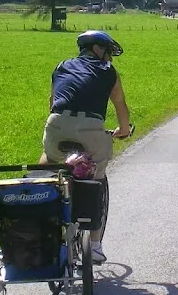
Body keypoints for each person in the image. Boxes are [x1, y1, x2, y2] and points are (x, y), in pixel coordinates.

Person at [39, 30, 131, 263]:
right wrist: (123, 130)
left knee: (49, 159)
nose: (109, 58)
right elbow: (120, 105)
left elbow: (52, 102)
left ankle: (39, 197)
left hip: (56, 123)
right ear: (97, 49)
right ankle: (95, 245)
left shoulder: (61, 66)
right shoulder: (108, 71)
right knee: (96, 178)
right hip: (90, 128)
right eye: (108, 53)